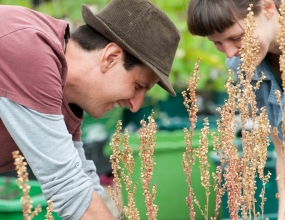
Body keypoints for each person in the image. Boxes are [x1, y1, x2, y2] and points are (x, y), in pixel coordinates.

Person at [0, 0, 180, 219]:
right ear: (111, 57)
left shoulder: (64, 90)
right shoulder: (29, 49)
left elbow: (81, 179)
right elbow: (68, 187)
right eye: (138, 86)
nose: (135, 106)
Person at [187, 0, 285, 219]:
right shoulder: (244, 65)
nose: (229, 53)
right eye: (217, 43)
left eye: (236, 37)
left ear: (267, 8)